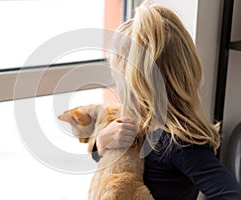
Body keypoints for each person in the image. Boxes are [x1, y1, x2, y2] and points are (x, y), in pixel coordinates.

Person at [91, 1, 241, 199]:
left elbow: (231, 194)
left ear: (139, 84)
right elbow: (111, 161)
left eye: (118, 77)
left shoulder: (178, 143)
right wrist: (101, 143)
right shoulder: (136, 118)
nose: (116, 85)